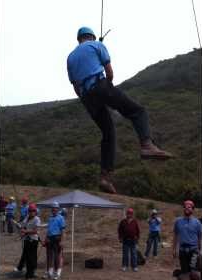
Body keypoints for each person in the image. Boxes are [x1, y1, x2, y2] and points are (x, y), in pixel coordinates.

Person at [66, 27, 174, 194]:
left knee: (108, 134)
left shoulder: (70, 57)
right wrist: (108, 91)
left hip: (86, 97)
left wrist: (92, 99)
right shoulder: (96, 45)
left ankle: (105, 178)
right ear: (91, 37)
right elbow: (109, 72)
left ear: (79, 39)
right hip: (100, 85)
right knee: (138, 111)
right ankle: (147, 145)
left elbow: (75, 87)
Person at [172, 200, 202, 280]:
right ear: (183, 209)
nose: (187, 209)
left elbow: (199, 238)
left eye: (190, 207)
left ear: (193, 209)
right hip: (182, 251)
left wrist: (200, 250)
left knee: (194, 273)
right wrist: (173, 248)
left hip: (194, 250)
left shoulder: (197, 223)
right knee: (185, 274)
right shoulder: (178, 221)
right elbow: (175, 236)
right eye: (186, 207)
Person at [16, 204, 41, 280]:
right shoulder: (27, 218)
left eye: (33, 211)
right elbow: (22, 225)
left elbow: (36, 231)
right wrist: (19, 227)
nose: (31, 212)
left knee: (31, 257)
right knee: (27, 257)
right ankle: (29, 273)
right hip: (26, 240)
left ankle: (30, 274)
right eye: (30, 211)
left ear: (35, 211)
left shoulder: (37, 219)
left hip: (33, 240)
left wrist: (26, 231)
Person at [44, 202, 66, 280]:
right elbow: (48, 229)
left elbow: (63, 230)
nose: (54, 209)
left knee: (57, 256)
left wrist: (62, 241)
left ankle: (57, 273)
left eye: (55, 208)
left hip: (57, 238)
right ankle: (49, 272)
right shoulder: (50, 218)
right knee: (49, 256)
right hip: (50, 238)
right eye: (53, 208)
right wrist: (46, 238)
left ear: (58, 209)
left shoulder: (61, 218)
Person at [118, 208, 140, 272]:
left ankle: (134, 266)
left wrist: (137, 238)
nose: (129, 214)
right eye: (128, 213)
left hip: (133, 240)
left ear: (132, 214)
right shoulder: (123, 221)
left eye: (130, 213)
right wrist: (120, 238)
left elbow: (138, 231)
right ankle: (124, 266)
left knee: (134, 254)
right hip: (125, 240)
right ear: (126, 214)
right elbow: (120, 230)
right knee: (125, 254)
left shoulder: (135, 221)